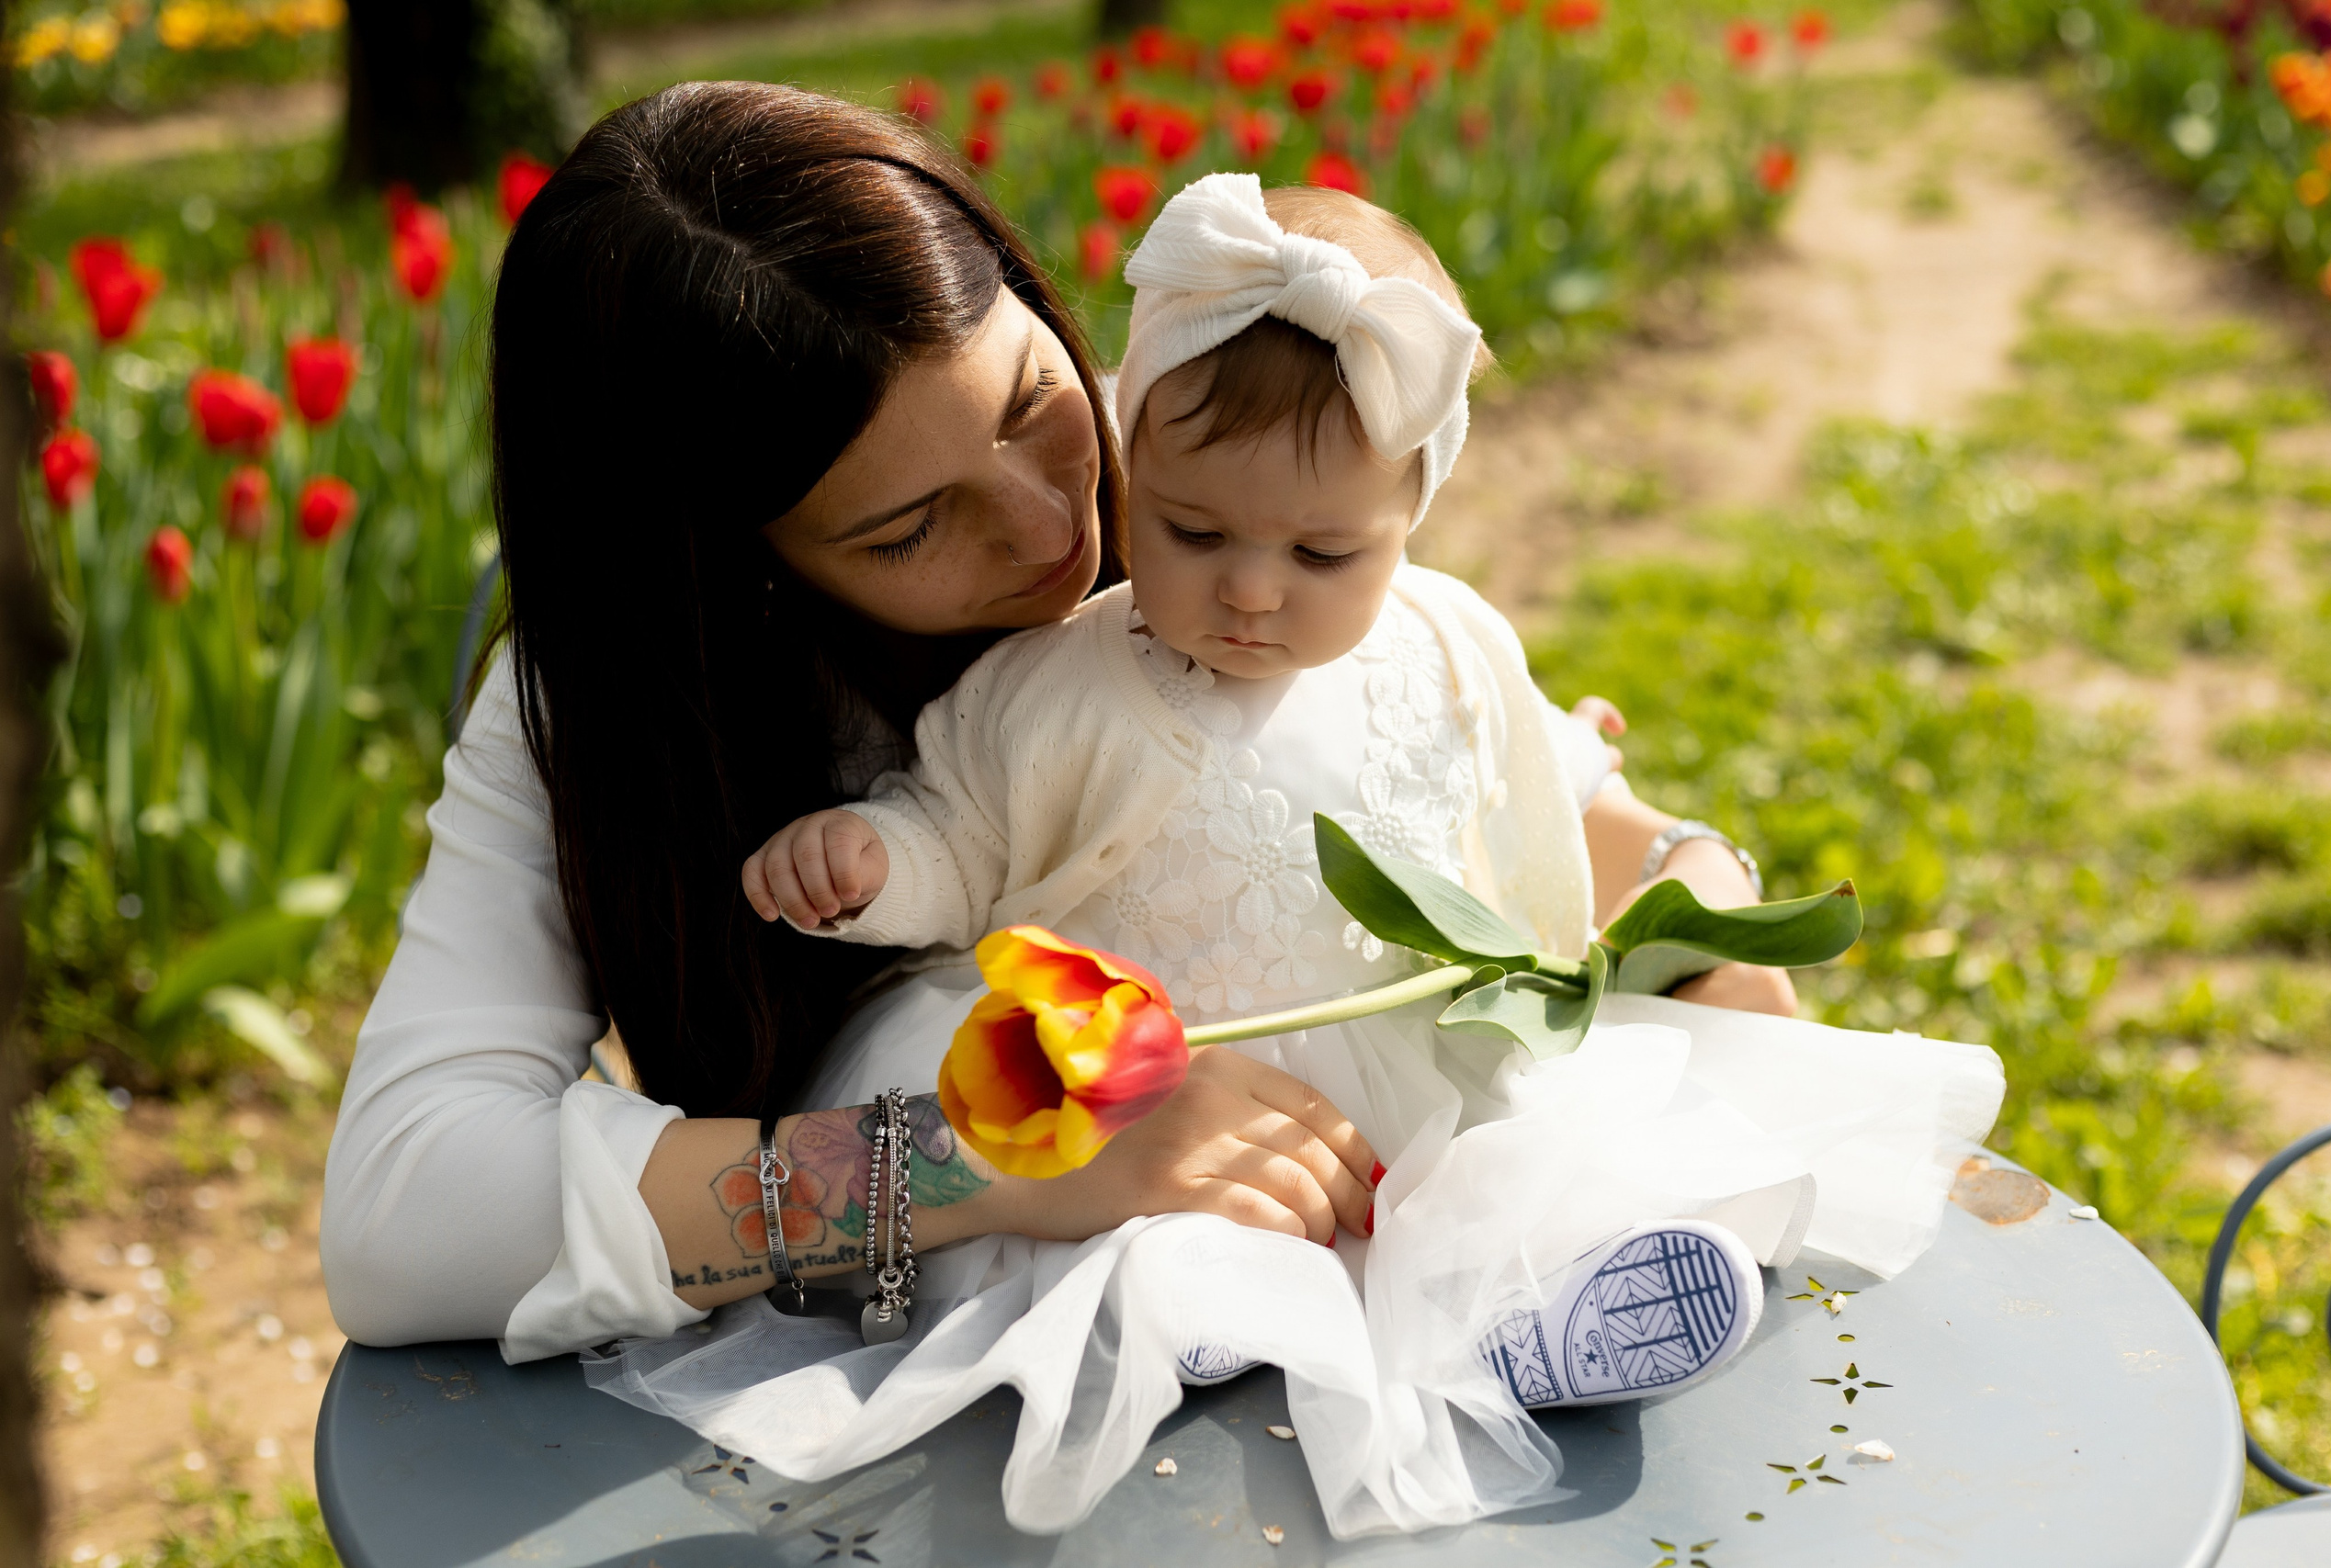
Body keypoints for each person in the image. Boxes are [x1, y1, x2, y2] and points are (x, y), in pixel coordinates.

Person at [587, 174, 2003, 1540]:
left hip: (1409, 1091)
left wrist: (1669, 870)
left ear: (1410, 519)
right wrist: (867, 861)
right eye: (1194, 531)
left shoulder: (1447, 640)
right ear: (1139, 460)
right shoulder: (1061, 686)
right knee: (1136, 1232)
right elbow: (962, 835)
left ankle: (1549, 1320)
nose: (1253, 590)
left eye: (1325, 555)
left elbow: (1538, 776)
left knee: (1529, 1175)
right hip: (1160, 1097)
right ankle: (1198, 1318)